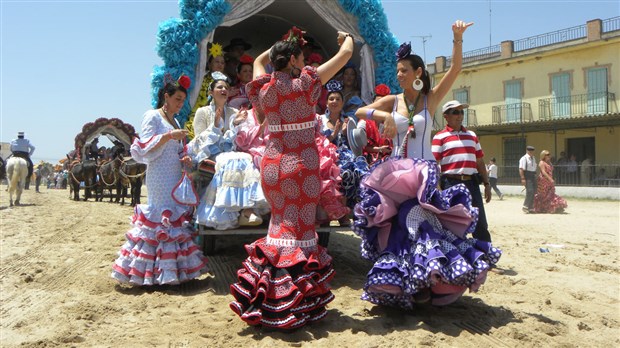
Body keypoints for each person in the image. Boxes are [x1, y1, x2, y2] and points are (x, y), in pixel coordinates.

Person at [229, 26, 354, 330]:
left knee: (278, 228)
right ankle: (291, 302)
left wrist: (276, 47)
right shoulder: (306, 81)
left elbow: (260, 63)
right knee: (299, 232)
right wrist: (344, 36)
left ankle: (267, 297)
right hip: (302, 165)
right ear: (296, 60)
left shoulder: (264, 88)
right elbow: (346, 54)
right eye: (300, 56)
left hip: (273, 164)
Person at [111, 75, 208, 286]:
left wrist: (185, 155)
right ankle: (146, 272)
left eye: (183, 101)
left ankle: (174, 272)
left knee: (174, 217)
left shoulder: (175, 121)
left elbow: (176, 149)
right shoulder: (153, 116)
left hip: (174, 175)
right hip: (158, 175)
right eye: (177, 99)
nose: (180, 104)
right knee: (159, 218)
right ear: (166, 96)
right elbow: (143, 148)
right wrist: (168, 136)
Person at [356, 20, 474, 161]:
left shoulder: (430, 98)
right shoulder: (392, 100)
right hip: (397, 169)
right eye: (397, 71)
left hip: (424, 170)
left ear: (418, 72)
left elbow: (455, 69)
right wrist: (385, 116)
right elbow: (360, 112)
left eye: (404, 71)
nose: (399, 75)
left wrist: (458, 37)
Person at [187, 73, 268, 230]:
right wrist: (216, 126)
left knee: (245, 158)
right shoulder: (202, 112)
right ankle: (240, 211)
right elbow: (199, 142)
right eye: (219, 87)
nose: (224, 89)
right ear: (211, 92)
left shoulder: (232, 111)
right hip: (209, 154)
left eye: (226, 87)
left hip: (229, 153)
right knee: (232, 159)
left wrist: (236, 125)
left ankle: (247, 209)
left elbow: (236, 140)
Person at [432, 100, 493, 243]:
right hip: (450, 183)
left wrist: (487, 184)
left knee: (480, 222)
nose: (459, 115)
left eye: (461, 112)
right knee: (453, 222)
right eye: (455, 112)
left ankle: (485, 253)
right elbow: (433, 164)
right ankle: (456, 256)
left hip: (472, 182)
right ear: (446, 116)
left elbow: (480, 162)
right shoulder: (439, 137)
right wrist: (437, 187)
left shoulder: (472, 135)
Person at [185, 42, 227, 139]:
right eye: (217, 62)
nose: (220, 64)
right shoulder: (202, 78)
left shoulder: (226, 82)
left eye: (222, 62)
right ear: (209, 64)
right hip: (200, 111)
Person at [363, 84, 392, 164]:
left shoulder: (392, 121)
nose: (380, 106)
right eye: (378, 103)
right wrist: (379, 149)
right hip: (369, 161)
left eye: (383, 103)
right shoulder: (365, 122)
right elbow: (362, 146)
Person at [519, 145, 538, 214]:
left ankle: (530, 207)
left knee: (534, 191)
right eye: (530, 151)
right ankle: (525, 206)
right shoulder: (524, 158)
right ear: (527, 151)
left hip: (533, 175)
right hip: (527, 175)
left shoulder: (533, 158)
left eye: (532, 151)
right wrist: (523, 178)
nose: (531, 152)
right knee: (530, 190)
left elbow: (534, 167)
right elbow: (521, 169)